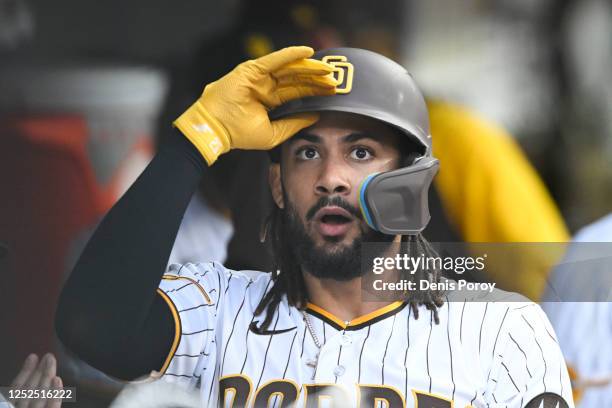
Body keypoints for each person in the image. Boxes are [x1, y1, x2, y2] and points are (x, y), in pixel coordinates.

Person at [55, 46, 573, 407]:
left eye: (361, 152)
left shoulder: (502, 331)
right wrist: (198, 138)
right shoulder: (216, 310)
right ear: (279, 187)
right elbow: (92, 328)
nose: (330, 178)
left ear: (410, 182)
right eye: (308, 153)